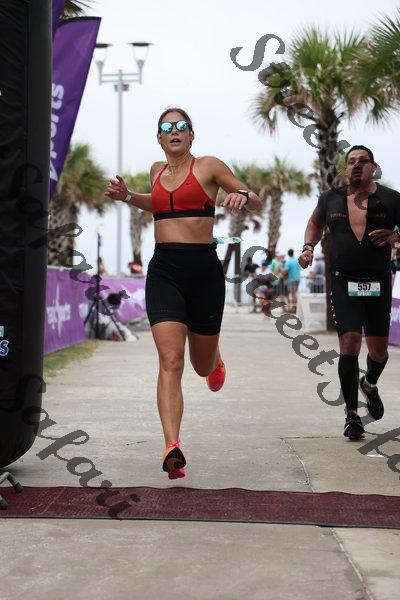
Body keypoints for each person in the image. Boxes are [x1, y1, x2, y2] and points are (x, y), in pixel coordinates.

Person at [105, 107, 262, 478]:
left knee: (200, 365)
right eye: (167, 127)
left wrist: (242, 195)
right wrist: (129, 197)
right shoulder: (156, 171)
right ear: (159, 138)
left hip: (204, 272)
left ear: (192, 135)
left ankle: (214, 360)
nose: (174, 131)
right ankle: (172, 447)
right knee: (171, 359)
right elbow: (158, 204)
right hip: (165, 272)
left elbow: (253, 198)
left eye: (181, 126)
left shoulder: (208, 166)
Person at [299, 145, 400, 440]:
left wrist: (395, 236)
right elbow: (314, 223)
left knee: (379, 351)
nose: (357, 165)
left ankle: (369, 384)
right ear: (345, 168)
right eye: (351, 161)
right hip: (344, 281)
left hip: (378, 281)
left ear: (373, 167)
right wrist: (308, 247)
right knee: (350, 343)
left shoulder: (391, 199)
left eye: (363, 161)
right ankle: (352, 415)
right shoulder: (330, 198)